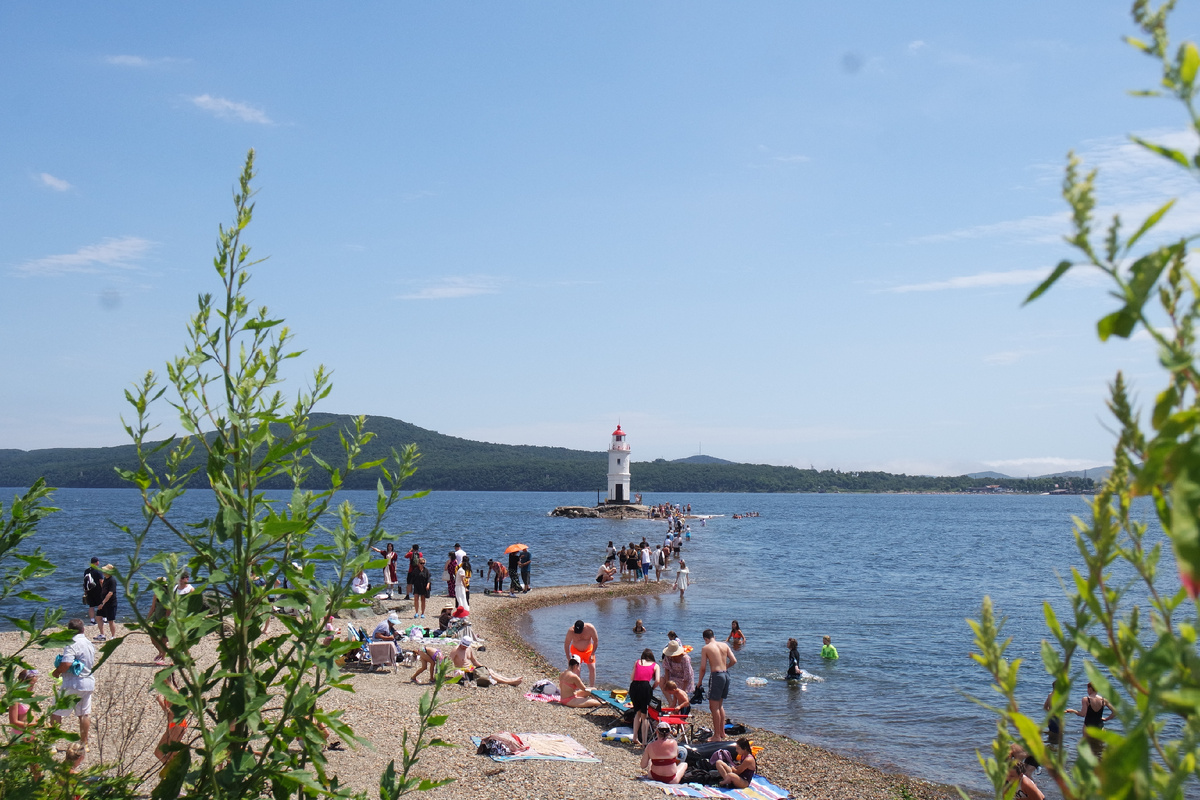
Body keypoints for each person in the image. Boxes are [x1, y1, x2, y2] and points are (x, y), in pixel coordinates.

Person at [51, 619, 96, 747]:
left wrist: (57, 672)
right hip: (88, 682)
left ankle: (51, 744)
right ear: (83, 629)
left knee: (56, 711)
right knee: (84, 714)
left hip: (73, 683)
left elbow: (67, 663)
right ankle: (84, 743)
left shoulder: (71, 643)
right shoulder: (89, 643)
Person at [697, 628, 737, 742]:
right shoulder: (724, 645)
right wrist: (725, 667)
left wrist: (699, 682)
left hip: (716, 676)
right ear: (714, 636)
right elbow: (734, 660)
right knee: (720, 705)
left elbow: (703, 668)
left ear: (705, 639)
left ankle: (717, 736)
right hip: (726, 675)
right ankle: (722, 733)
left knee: (714, 707)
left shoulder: (706, 648)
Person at [450, 637, 522, 686]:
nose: (464, 647)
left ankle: (510, 679)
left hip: (471, 668)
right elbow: (449, 662)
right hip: (464, 671)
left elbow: (474, 661)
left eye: (466, 645)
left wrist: (482, 666)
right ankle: (510, 682)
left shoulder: (469, 649)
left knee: (489, 671)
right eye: (463, 645)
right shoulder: (455, 650)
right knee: (489, 674)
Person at [154, 672, 188, 765]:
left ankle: (177, 774)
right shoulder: (170, 692)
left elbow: (173, 713)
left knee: (170, 754)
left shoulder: (173, 694)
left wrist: (161, 703)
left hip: (177, 726)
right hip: (173, 725)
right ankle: (171, 772)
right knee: (159, 752)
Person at [629, 648, 661, 746]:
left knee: (637, 713)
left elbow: (632, 677)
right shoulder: (656, 665)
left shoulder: (637, 662)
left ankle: (635, 737)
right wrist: (652, 688)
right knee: (645, 716)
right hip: (645, 687)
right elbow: (657, 681)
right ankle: (644, 742)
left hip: (634, 687)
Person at [564, 620, 599, 686]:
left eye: (579, 632)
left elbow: (596, 641)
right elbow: (566, 644)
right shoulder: (571, 631)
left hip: (588, 650)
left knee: (592, 668)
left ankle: (592, 687)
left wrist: (592, 653)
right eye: (576, 632)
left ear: (583, 628)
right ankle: (578, 686)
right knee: (577, 669)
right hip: (576, 651)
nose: (578, 634)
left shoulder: (590, 628)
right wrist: (568, 659)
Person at [8, 668, 38, 734]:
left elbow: (33, 716)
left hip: (31, 733)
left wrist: (41, 721)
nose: (32, 687)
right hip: (19, 733)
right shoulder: (15, 698)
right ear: (22, 682)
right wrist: (31, 725)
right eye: (31, 684)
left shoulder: (31, 697)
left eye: (34, 684)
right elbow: (13, 722)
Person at [94, 566, 118, 642]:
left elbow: (110, 593)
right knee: (98, 617)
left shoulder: (112, 580)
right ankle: (102, 634)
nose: (103, 572)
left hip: (110, 603)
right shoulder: (105, 579)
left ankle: (113, 636)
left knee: (110, 620)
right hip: (103, 602)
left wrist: (103, 603)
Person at [83, 557, 105, 629]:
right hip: (98, 590)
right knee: (101, 604)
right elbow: (101, 581)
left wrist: (85, 591)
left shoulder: (86, 571)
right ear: (97, 562)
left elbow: (85, 581)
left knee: (91, 606)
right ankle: (103, 619)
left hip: (89, 590)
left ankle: (92, 620)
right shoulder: (98, 571)